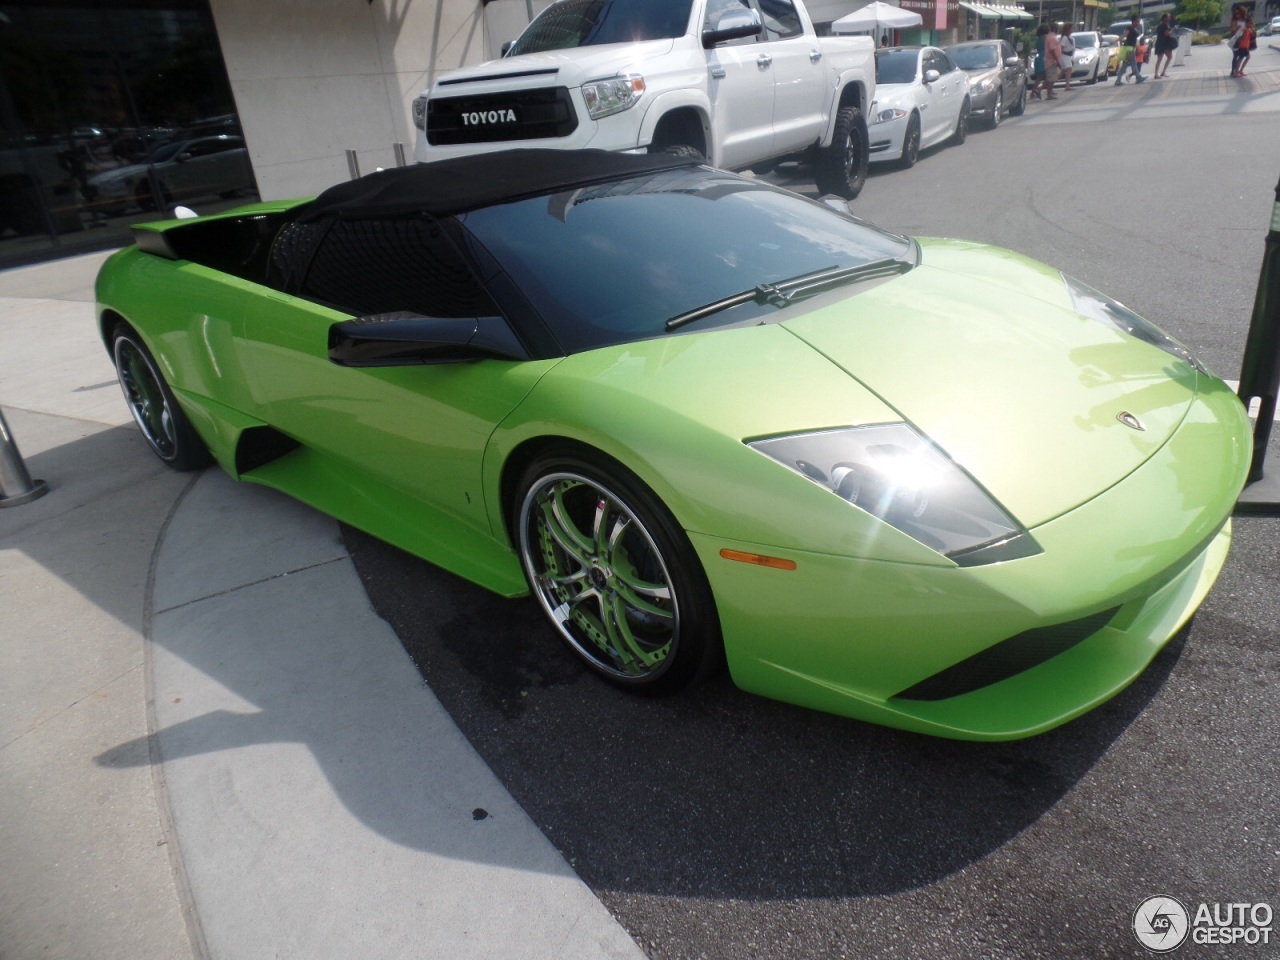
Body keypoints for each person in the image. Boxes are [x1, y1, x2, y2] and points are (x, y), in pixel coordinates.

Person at [1114, 16, 1146, 84]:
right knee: (1133, 64)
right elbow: (1125, 35)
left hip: (1130, 48)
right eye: (1137, 22)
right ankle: (1138, 77)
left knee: (1124, 65)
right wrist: (1116, 40)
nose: (1138, 23)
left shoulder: (1134, 28)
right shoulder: (1130, 27)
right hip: (1129, 49)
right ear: (1133, 21)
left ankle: (1118, 80)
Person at [1059, 24, 1076, 89]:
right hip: (1065, 55)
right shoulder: (1065, 38)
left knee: (1062, 72)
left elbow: (1071, 46)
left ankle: (1049, 84)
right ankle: (1067, 86)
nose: (1072, 29)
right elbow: (1062, 47)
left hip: (1069, 56)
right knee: (1068, 69)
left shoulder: (1070, 37)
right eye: (1071, 28)